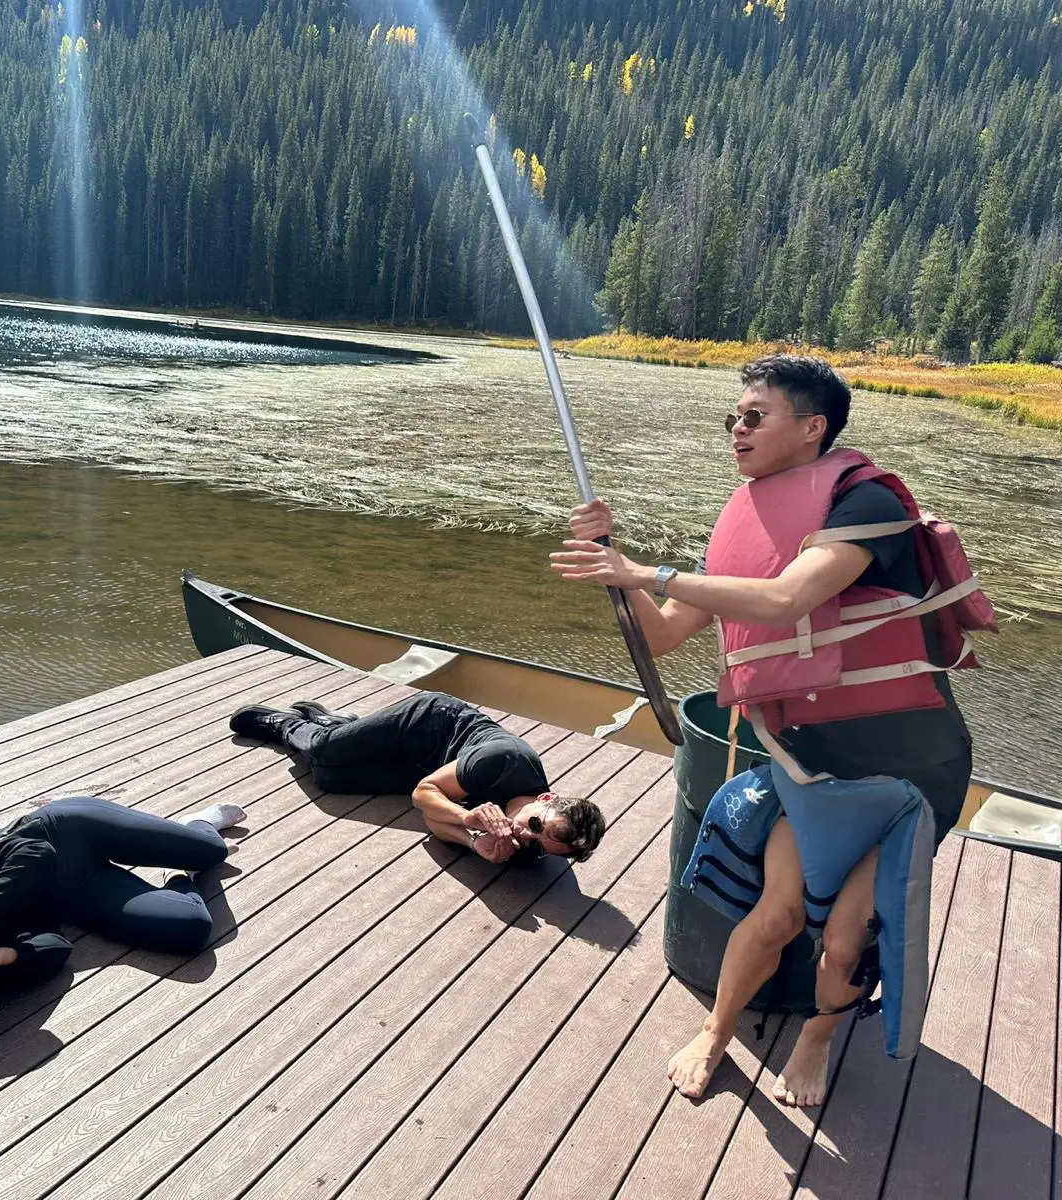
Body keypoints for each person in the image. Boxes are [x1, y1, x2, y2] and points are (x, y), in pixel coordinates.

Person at [551, 354, 984, 1107]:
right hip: (809, 762)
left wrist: (644, 572)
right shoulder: (743, 528)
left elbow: (790, 599)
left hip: (907, 776)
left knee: (846, 938)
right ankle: (718, 1030)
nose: (737, 430)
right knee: (779, 913)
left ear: (813, 426)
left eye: (756, 415)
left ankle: (818, 1035)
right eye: (734, 417)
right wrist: (605, 561)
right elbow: (658, 637)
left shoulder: (865, 501)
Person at [0, 796, 248, 1008]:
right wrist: (0, 955)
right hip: (73, 889)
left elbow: (35, 850)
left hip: (67, 833)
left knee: (211, 850)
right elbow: (56, 946)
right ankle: (178, 873)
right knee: (190, 928)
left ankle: (197, 824)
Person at [228, 693, 606, 865]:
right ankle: (286, 724)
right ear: (545, 799)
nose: (527, 837)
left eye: (540, 846)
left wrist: (475, 844)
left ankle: (335, 724)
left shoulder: (531, 846)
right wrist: (469, 818)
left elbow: (431, 818)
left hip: (433, 767)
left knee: (328, 778)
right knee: (325, 751)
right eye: (536, 826)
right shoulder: (502, 761)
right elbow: (424, 794)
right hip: (428, 724)